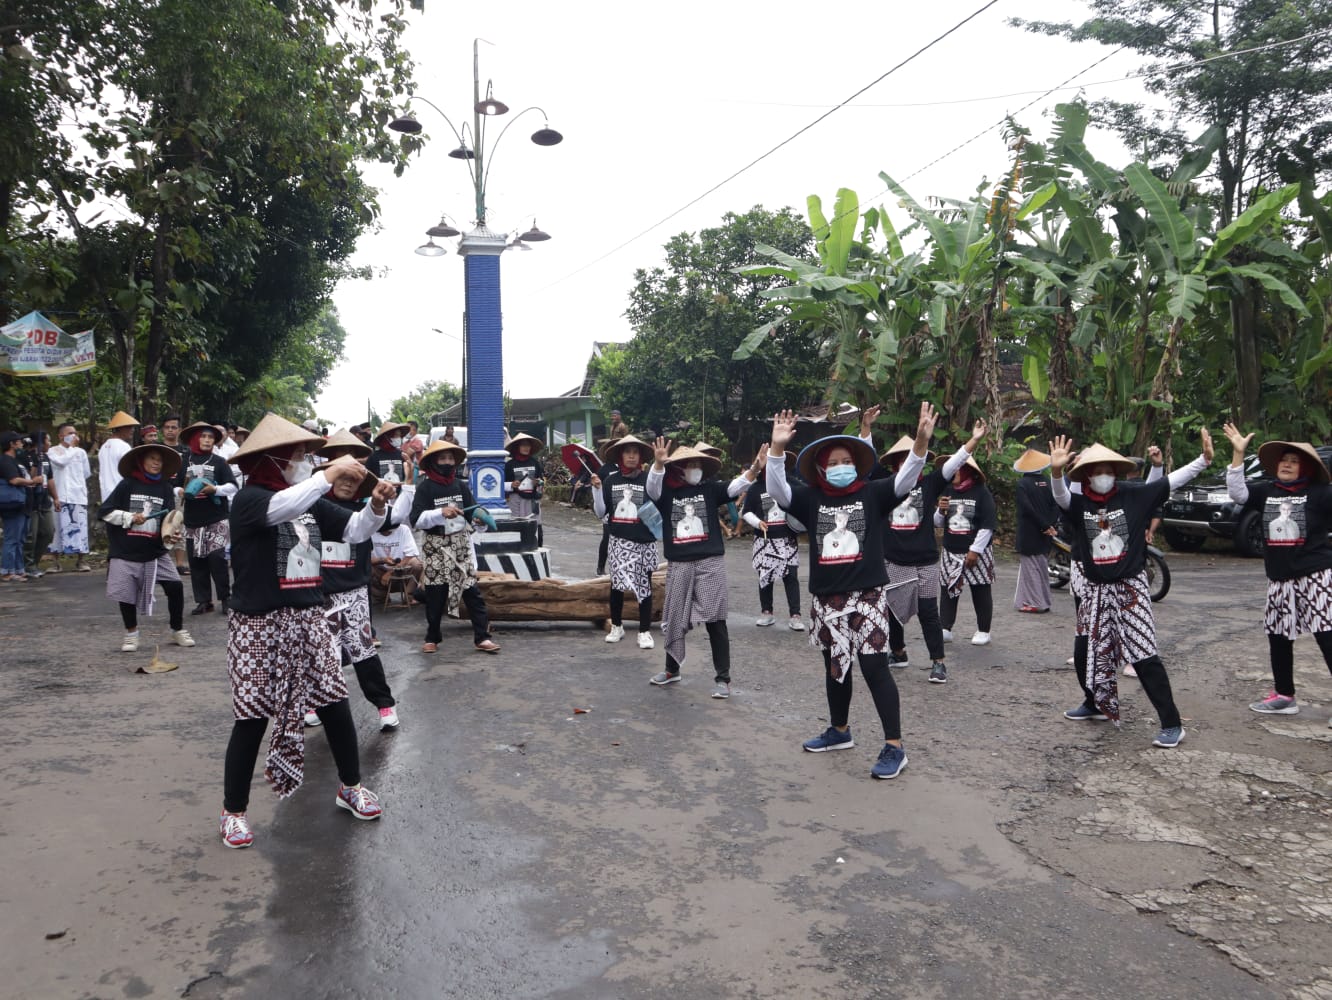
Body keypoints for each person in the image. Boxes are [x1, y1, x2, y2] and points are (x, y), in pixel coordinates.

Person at [219, 413, 394, 850]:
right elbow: (282, 509)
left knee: (334, 702)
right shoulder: (251, 500)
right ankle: (233, 812)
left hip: (310, 617)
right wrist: (328, 475)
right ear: (272, 461)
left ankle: (351, 786)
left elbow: (354, 531)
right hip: (258, 624)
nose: (304, 461)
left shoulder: (307, 499)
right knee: (253, 715)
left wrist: (376, 505)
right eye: (297, 455)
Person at [764, 404, 936, 780]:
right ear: (822, 469)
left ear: (857, 465)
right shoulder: (811, 498)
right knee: (835, 667)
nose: (842, 466)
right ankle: (840, 731)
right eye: (834, 461)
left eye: (848, 460)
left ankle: (895, 747)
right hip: (827, 600)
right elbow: (776, 489)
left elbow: (906, 480)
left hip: (868, 597)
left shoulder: (873, 494)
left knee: (875, 668)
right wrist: (776, 450)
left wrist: (921, 443)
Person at [1049, 430, 1212, 748]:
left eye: (1109, 470)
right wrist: (1056, 472)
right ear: (1086, 476)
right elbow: (1061, 498)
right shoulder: (1080, 503)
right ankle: (1095, 704)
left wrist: (1204, 460)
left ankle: (1172, 724)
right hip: (1095, 591)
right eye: (1097, 471)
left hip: (1130, 590)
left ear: (1117, 472)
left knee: (1143, 654)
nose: (1103, 476)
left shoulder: (1135, 496)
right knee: (1091, 652)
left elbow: (1171, 481)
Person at [859, 406, 985, 684]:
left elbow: (953, 464)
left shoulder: (928, 485)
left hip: (925, 560)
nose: (908, 464)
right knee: (891, 608)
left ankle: (938, 662)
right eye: (902, 461)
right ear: (894, 466)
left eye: (912, 459)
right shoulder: (884, 485)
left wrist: (974, 440)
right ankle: (899, 652)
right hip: (892, 559)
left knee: (929, 612)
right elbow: (866, 463)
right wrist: (866, 428)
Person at [1222, 424, 1332, 726]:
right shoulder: (1266, 491)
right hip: (1280, 578)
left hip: (1316, 575)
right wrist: (1238, 453)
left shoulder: (1321, 493)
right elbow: (1237, 492)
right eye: (1284, 459)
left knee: (1327, 636)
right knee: (1279, 635)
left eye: (1294, 461)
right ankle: (1285, 696)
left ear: (1306, 467)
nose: (1286, 464)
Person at [315, 429, 401, 731]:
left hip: (353, 591)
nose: (348, 483)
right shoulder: (310, 505)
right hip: (319, 593)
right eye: (342, 476)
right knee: (323, 654)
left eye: (354, 479)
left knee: (363, 650)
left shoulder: (365, 509)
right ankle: (318, 703)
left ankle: (385, 704)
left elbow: (388, 519)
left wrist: (386, 499)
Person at [645, 441, 746, 697]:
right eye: (690, 465)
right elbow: (652, 487)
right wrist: (658, 462)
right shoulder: (666, 492)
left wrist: (756, 467)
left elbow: (737, 486)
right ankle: (672, 669)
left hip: (709, 561)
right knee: (675, 616)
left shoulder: (710, 489)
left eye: (698, 465)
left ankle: (723, 678)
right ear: (678, 468)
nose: (694, 469)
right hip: (679, 563)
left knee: (716, 618)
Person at [405, 440, 500, 654]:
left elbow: (471, 512)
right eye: (442, 458)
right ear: (433, 462)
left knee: (471, 591)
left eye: (450, 458)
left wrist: (479, 522)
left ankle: (482, 637)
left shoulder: (460, 485)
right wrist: (440, 513)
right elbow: (416, 519)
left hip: (460, 544)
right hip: (435, 545)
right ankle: (432, 637)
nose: (447, 462)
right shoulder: (425, 487)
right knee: (436, 593)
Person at [98, 443, 194, 651]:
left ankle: (176, 629)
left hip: (154, 551)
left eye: (159, 460)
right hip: (125, 550)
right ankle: (131, 634)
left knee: (175, 586)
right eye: (151, 458)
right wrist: (130, 517)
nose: (156, 463)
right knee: (126, 594)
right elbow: (105, 512)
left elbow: (169, 518)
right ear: (142, 461)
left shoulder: (165, 488)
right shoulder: (127, 485)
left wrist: (172, 532)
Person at [591, 434, 658, 648]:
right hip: (619, 541)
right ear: (621, 456)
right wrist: (597, 490)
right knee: (617, 587)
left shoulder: (648, 479)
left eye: (635, 452)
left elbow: (658, 499)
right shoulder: (611, 481)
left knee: (644, 587)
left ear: (640, 456)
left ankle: (644, 631)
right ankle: (617, 626)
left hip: (644, 541)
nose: (631, 456)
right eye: (627, 452)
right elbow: (601, 512)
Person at [735, 444, 806, 631]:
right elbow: (746, 511)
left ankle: (795, 615)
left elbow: (805, 501)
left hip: (787, 539)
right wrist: (758, 522)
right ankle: (766, 612)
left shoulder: (792, 484)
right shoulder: (755, 488)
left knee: (791, 576)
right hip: (764, 540)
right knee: (765, 576)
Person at [175, 422, 237, 614]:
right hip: (193, 519)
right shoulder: (185, 460)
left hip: (216, 518)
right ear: (195, 439)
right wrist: (181, 492)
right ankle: (204, 601)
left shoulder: (219, 462)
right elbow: (175, 485)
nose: (207, 440)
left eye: (210, 437)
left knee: (217, 559)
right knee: (197, 560)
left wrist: (215, 490)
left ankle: (226, 598)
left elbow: (233, 486)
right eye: (204, 436)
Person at [938, 454, 997, 647]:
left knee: (980, 589)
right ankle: (945, 627)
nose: (953, 472)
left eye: (957, 468)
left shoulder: (981, 492)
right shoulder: (948, 490)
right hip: (951, 550)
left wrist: (975, 550)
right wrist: (940, 511)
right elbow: (938, 523)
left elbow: (987, 525)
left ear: (967, 470)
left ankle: (983, 630)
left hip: (975, 551)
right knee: (948, 590)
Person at [1013, 448, 1059, 614]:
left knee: (1030, 567)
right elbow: (1056, 505)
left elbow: (1027, 508)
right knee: (1041, 565)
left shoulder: (1022, 484)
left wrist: (1043, 525)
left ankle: (1035, 602)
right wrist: (1049, 525)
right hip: (1045, 533)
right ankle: (1044, 601)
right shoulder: (1047, 482)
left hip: (1029, 531)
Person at [47, 422, 94, 572]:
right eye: (70, 433)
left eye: (75, 433)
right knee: (57, 529)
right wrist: (72, 448)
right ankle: (55, 562)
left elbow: (86, 473)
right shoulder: (53, 451)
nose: (74, 436)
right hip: (59, 495)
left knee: (80, 529)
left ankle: (81, 561)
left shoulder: (81, 453)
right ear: (61, 436)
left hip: (77, 495)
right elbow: (61, 462)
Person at [20, 432, 58, 578]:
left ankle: (34, 563)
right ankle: (28, 566)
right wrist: (35, 462)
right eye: (48, 440)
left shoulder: (46, 457)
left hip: (44, 500)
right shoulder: (25, 456)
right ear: (41, 442)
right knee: (31, 536)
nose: (50, 443)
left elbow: (50, 478)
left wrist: (55, 498)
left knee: (48, 532)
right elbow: (31, 476)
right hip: (31, 501)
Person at [1, 431, 34, 581]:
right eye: (18, 441)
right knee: (12, 538)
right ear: (11, 444)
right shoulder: (5, 461)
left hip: (22, 503)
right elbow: (14, 480)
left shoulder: (17, 460)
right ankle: (7, 571)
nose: (21, 443)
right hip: (12, 504)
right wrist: (34, 481)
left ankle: (18, 569)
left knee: (20, 538)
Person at [370, 519, 424, 606]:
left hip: (402, 570)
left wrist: (392, 571)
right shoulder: (370, 531)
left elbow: (410, 554)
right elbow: (365, 558)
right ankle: (379, 597)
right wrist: (382, 560)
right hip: (380, 571)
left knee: (417, 564)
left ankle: (409, 596)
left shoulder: (403, 529)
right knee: (364, 567)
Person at [504, 433, 545, 545]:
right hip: (515, 500)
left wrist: (538, 483)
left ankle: (536, 546)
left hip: (532, 500)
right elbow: (502, 484)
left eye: (528, 445)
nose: (526, 448)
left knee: (535, 526)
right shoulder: (509, 465)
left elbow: (542, 482)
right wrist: (512, 484)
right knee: (516, 525)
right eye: (523, 445)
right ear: (517, 447)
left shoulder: (535, 463)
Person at [98, 411, 139, 503]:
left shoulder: (103, 447)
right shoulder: (124, 446)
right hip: (120, 493)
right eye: (129, 427)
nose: (132, 430)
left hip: (106, 494)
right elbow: (131, 471)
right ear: (120, 428)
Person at [367, 422, 411, 486]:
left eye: (399, 435)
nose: (399, 438)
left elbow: (406, 476)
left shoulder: (401, 455)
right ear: (387, 437)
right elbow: (369, 477)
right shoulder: (374, 456)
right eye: (396, 435)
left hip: (399, 494)